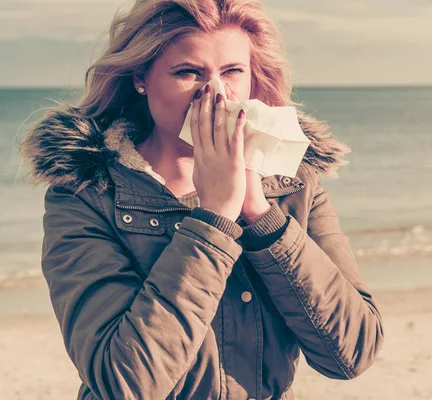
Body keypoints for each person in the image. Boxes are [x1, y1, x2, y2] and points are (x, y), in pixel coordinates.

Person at [19, 0, 384, 398]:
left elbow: (352, 354)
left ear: (253, 78)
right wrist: (214, 217)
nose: (215, 93)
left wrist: (258, 214)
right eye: (188, 72)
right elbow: (123, 382)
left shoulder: (294, 184)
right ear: (141, 78)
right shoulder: (87, 193)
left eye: (232, 72)